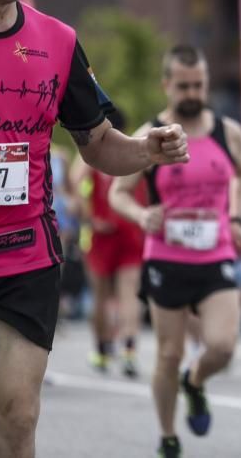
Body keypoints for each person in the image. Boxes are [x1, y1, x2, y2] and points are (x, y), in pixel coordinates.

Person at [0, 0, 189, 458]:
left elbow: (99, 144)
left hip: (25, 256)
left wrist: (146, 150)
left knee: (16, 417)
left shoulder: (58, 42)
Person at [109, 45, 241, 458]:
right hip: (166, 257)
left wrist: (237, 217)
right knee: (168, 354)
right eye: (184, 85)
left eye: (199, 84)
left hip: (216, 253)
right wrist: (141, 215)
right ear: (167, 85)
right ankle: (169, 437)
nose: (192, 92)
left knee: (223, 346)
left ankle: (196, 380)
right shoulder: (150, 135)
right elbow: (118, 193)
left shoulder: (229, 133)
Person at [72, 108, 146, 377]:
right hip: (130, 227)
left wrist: (88, 216)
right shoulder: (135, 150)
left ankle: (102, 350)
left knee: (100, 296)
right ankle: (128, 349)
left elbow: (76, 182)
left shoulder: (94, 152)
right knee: (130, 293)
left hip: (101, 231)